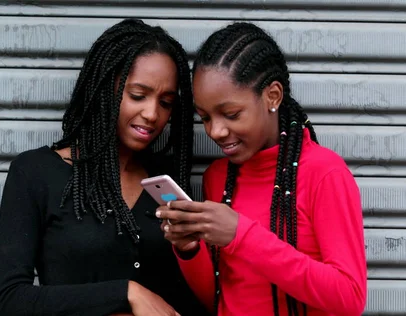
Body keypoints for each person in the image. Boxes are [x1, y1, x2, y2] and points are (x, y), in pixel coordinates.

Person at [0, 19, 208, 316]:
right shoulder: (35, 173)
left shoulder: (165, 180)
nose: (152, 113)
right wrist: (125, 292)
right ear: (106, 88)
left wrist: (189, 252)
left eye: (166, 102)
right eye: (138, 95)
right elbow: (10, 300)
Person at [156, 22, 367, 316]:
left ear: (272, 96)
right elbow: (218, 299)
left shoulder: (324, 173)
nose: (215, 131)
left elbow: (350, 298)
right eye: (204, 117)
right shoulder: (218, 178)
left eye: (231, 114)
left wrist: (241, 235)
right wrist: (189, 249)